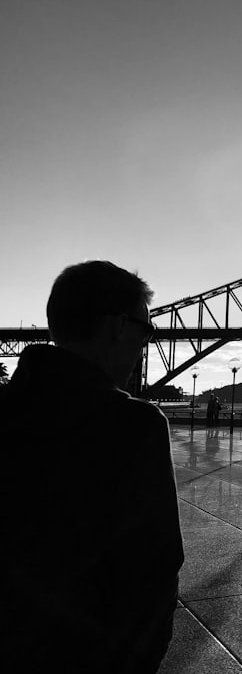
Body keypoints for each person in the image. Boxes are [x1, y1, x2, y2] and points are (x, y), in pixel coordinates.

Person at [0, 261, 184, 673]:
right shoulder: (134, 426)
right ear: (118, 327)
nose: (144, 346)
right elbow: (154, 570)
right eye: (146, 331)